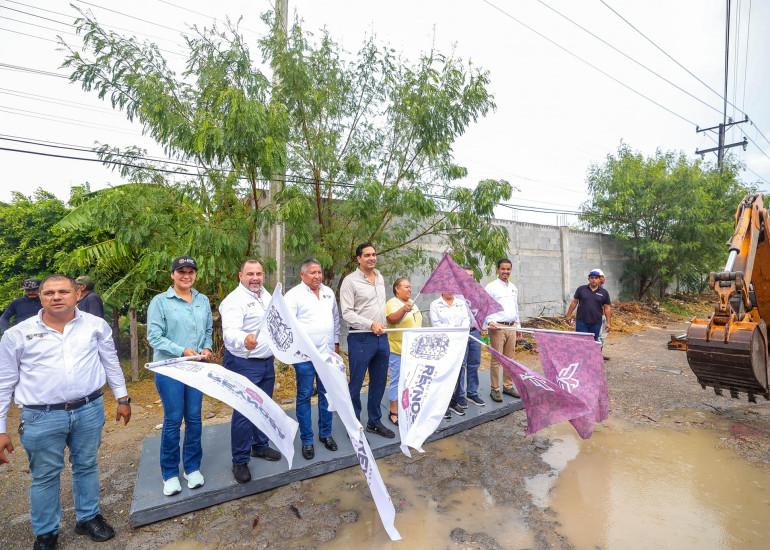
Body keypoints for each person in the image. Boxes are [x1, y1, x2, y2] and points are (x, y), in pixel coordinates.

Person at [0, 274, 131, 550]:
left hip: (89, 408)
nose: (56, 297)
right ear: (40, 297)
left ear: (77, 294)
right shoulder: (17, 335)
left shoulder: (95, 326)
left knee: (87, 465)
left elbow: (110, 361)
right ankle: (46, 533)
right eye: (49, 293)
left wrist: (123, 398)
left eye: (63, 291)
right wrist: (0, 429)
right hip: (41, 416)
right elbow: (4, 383)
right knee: (45, 475)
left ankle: (88, 517)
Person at [147, 257, 212, 496]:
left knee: (194, 418)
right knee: (173, 419)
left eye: (190, 272)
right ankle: (170, 473)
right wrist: (181, 350)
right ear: (172, 275)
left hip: (196, 368)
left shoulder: (202, 300)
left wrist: (207, 348)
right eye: (181, 272)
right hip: (171, 369)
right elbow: (154, 337)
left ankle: (192, 468)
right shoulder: (160, 302)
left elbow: (207, 330)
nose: (186, 276)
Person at [219, 259, 281, 483]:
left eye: (259, 274)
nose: (255, 278)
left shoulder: (266, 295)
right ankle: (240, 460)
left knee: (263, 407)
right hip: (243, 363)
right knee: (244, 412)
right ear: (240, 276)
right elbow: (229, 333)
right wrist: (244, 339)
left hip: (266, 362)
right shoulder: (234, 301)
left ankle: (259, 445)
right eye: (250, 274)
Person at [285, 259, 340, 460]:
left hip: (326, 354)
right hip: (304, 357)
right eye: (312, 272)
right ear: (302, 275)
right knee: (304, 396)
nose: (317, 276)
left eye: (319, 272)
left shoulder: (328, 292)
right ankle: (307, 440)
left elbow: (335, 319)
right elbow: (288, 326)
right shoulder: (293, 296)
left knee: (327, 394)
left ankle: (325, 434)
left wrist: (336, 342)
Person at [339, 242, 394, 438]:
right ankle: (353, 425)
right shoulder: (350, 281)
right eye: (367, 255)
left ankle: (374, 422)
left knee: (379, 381)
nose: (372, 258)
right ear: (358, 258)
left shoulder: (379, 277)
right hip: (360, 338)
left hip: (381, 337)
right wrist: (370, 324)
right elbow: (347, 313)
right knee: (356, 383)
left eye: (374, 254)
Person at [385, 277, 423, 426]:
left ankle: (406, 406)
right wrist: (403, 310)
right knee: (397, 380)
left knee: (410, 380)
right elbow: (392, 319)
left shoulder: (413, 302)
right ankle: (393, 411)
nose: (409, 289)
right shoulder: (392, 303)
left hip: (414, 350)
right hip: (398, 350)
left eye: (410, 287)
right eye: (406, 287)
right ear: (397, 289)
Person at [483, 259, 521, 402]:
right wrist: (489, 321)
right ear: (497, 270)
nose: (505, 271)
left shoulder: (513, 287)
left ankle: (507, 386)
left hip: (511, 327)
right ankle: (495, 389)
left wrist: (518, 325)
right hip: (497, 327)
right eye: (503, 269)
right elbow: (485, 306)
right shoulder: (491, 287)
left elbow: (515, 307)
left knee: (510, 359)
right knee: (496, 359)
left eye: (508, 269)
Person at [429, 290, 470, 419]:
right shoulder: (435, 304)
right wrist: (453, 331)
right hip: (444, 344)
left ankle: (453, 401)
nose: (450, 290)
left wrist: (459, 333)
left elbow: (466, 320)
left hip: (459, 343)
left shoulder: (460, 303)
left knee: (457, 372)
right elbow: (436, 324)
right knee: (444, 372)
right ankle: (442, 405)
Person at [565, 270, 612, 342]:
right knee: (581, 341)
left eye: (596, 278)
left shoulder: (604, 292)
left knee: (594, 341)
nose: (594, 280)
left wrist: (608, 323)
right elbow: (574, 302)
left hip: (596, 322)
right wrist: (568, 315)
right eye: (592, 278)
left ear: (599, 279)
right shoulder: (581, 289)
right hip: (581, 321)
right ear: (589, 279)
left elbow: (607, 308)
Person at [461, 266, 484, 407]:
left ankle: (472, 392)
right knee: (461, 365)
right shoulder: (455, 294)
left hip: (475, 332)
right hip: (461, 333)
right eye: (466, 275)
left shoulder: (476, 293)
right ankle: (459, 395)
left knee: (474, 363)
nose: (469, 278)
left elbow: (481, 311)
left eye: (471, 276)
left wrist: (482, 326)